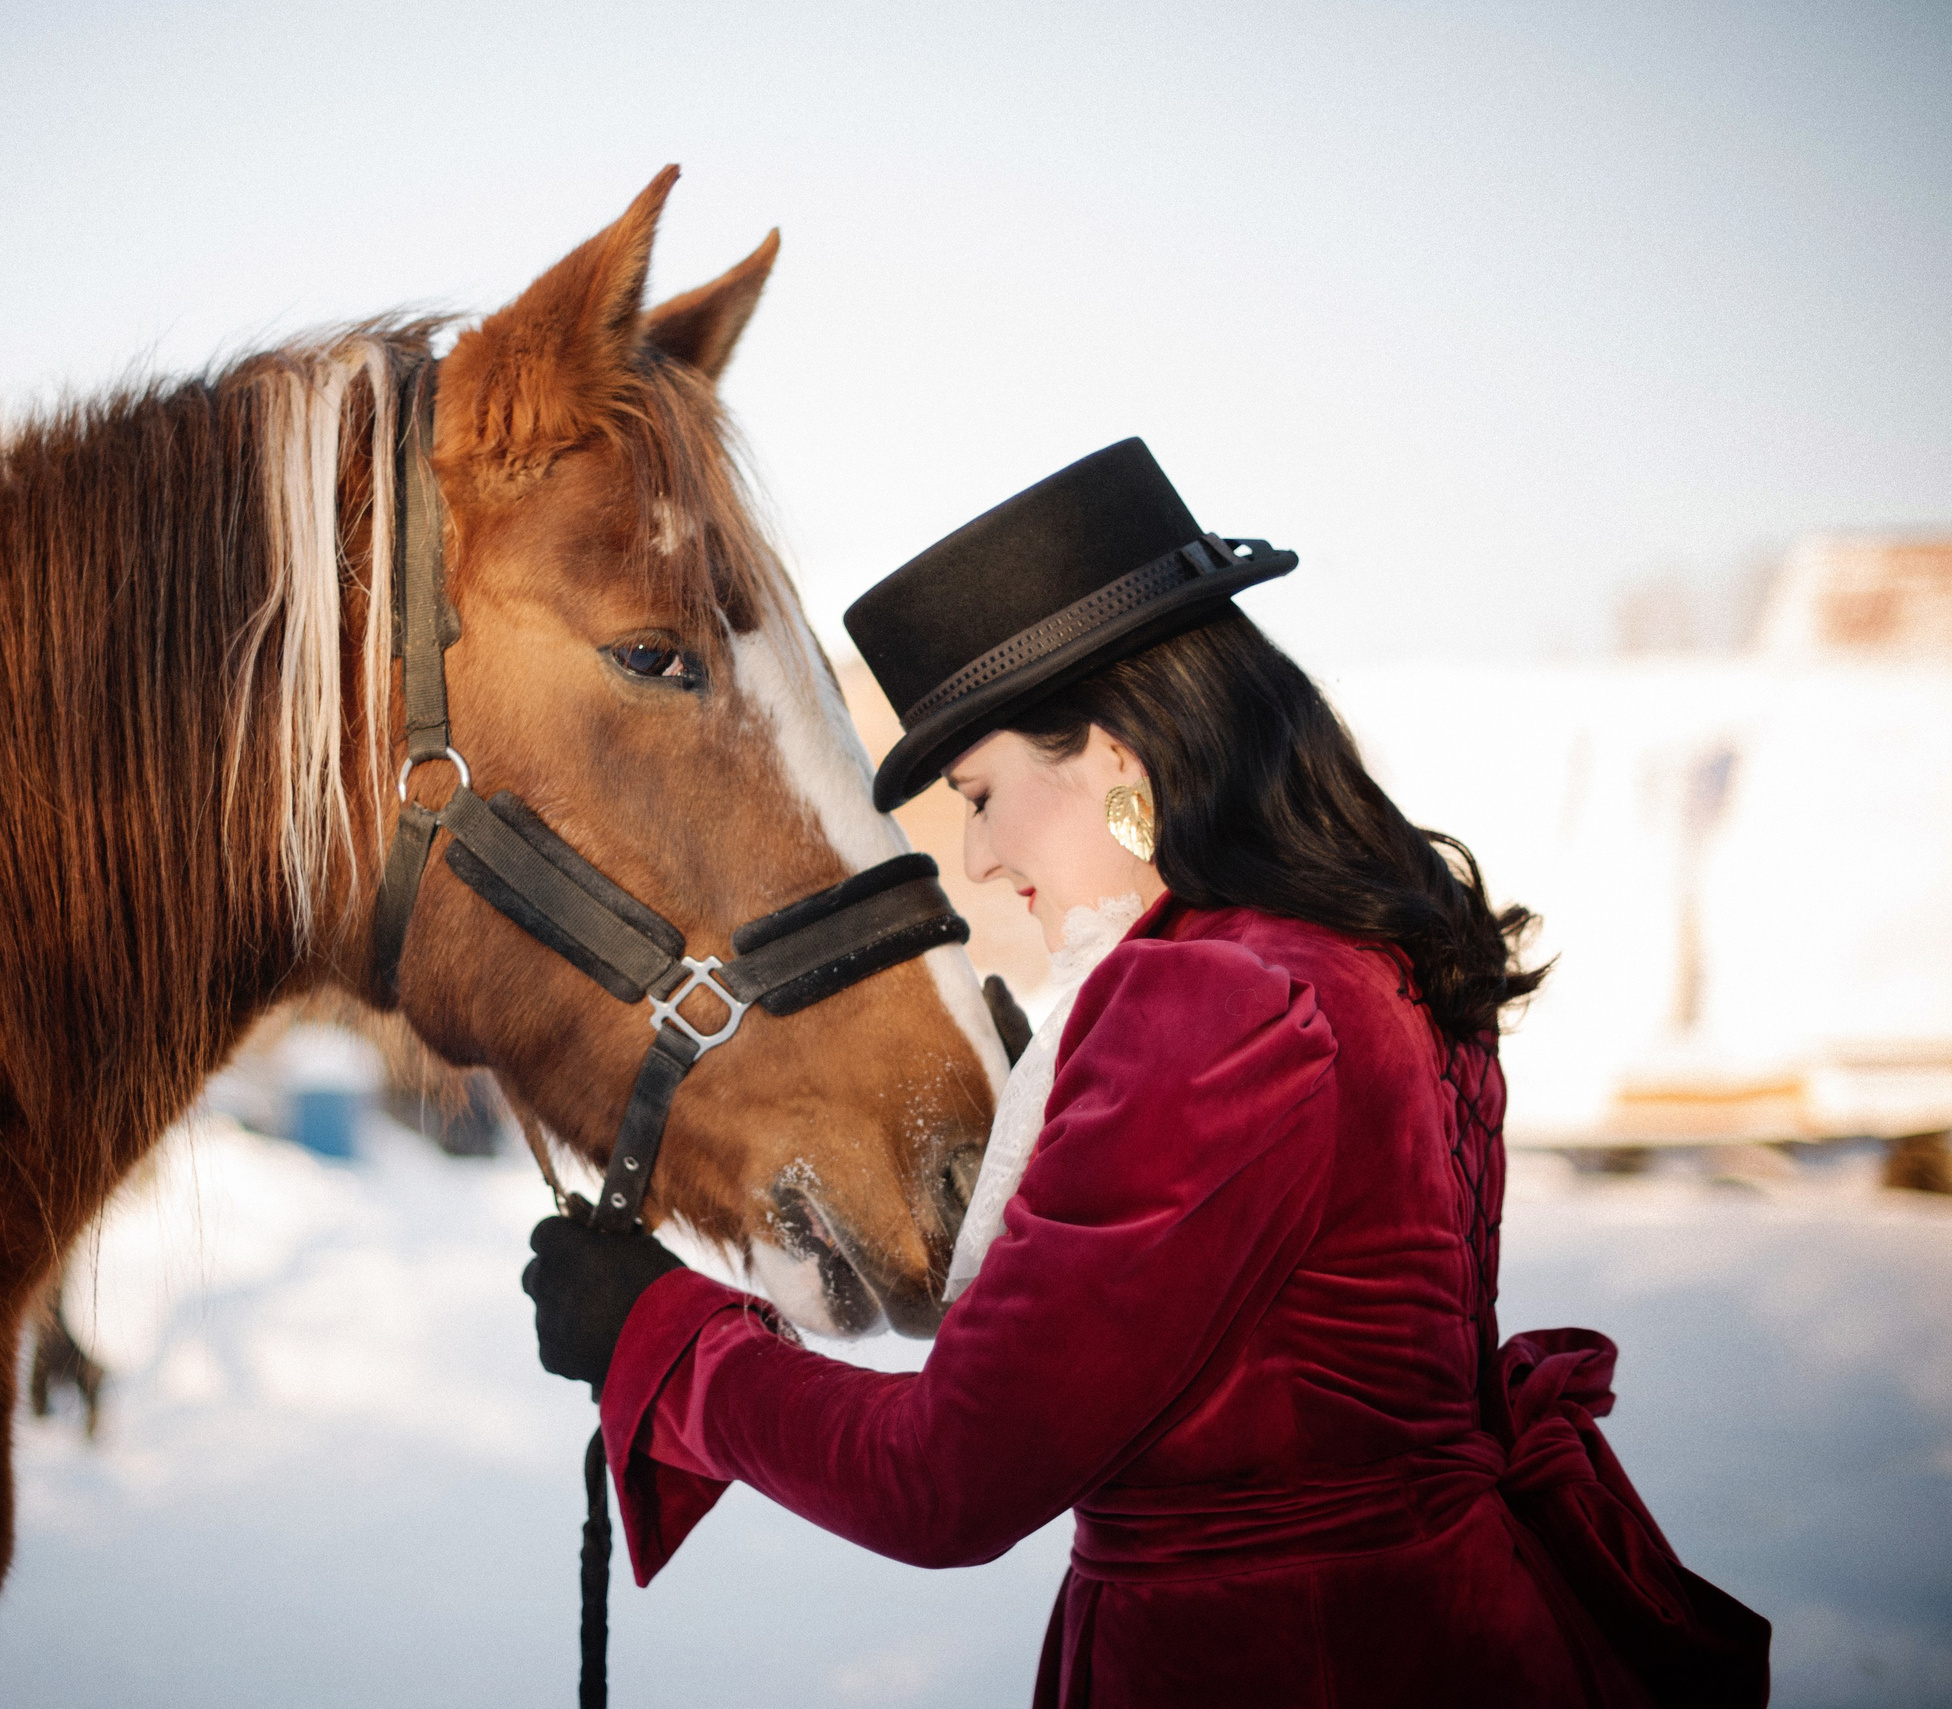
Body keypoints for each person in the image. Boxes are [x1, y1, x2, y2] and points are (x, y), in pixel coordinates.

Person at [521, 441, 1769, 1707]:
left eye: (981, 790)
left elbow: (948, 1475)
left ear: (1116, 755)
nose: (982, 854)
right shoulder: (1368, 955)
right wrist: (1061, 1123)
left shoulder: (1203, 1001)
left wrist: (663, 1339)